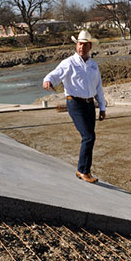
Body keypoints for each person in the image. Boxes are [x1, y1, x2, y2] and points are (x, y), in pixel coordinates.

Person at [43, 30, 106, 183]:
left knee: (91, 137)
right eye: (79, 44)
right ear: (76, 45)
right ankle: (82, 170)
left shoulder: (93, 65)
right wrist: (48, 81)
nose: (81, 47)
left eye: (84, 45)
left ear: (90, 46)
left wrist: (102, 107)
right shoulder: (69, 62)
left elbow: (98, 87)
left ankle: (85, 170)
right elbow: (55, 74)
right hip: (75, 103)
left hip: (90, 104)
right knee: (88, 137)